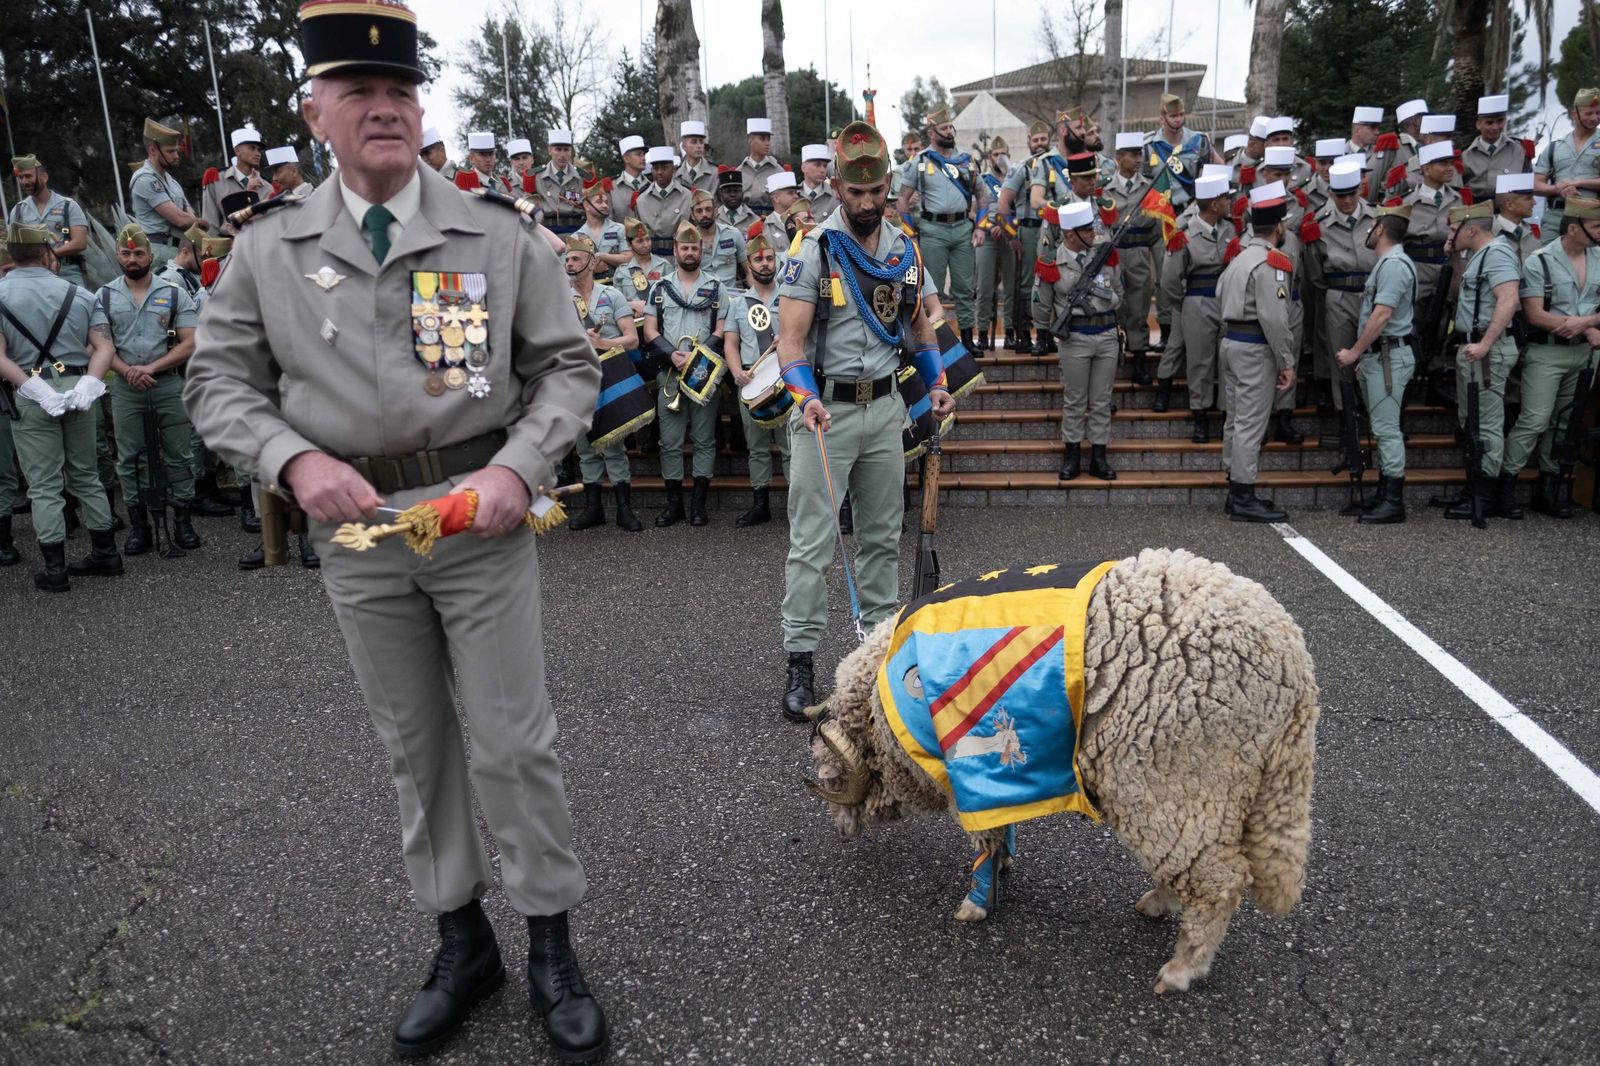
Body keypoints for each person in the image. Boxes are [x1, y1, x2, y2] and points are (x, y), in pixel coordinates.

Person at [181, 3, 609, 1059]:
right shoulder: (270, 247)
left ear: (420, 110)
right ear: (314, 110)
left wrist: (520, 465)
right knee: (415, 747)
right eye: (359, 93)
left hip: (480, 513)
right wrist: (294, 460)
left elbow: (567, 367)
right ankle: (462, 940)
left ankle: (550, 936)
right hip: (358, 535)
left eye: (401, 93)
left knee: (514, 742)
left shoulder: (495, 233)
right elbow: (216, 381)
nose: (384, 110)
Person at [775, 121, 953, 720]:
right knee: (814, 544)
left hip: (885, 412)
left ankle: (880, 661)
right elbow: (790, 343)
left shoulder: (906, 250)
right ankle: (801, 662)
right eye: (856, 193)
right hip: (825, 412)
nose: (868, 203)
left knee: (881, 538)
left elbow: (919, 326)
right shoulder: (814, 250)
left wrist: (937, 384)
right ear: (839, 190)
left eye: (877, 191)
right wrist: (805, 400)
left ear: (888, 187)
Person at [0, 222, 121, 589]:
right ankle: (106, 553)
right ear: (47, 252)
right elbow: (105, 348)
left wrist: (35, 389)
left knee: (43, 485)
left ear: (11, 255)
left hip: (31, 393)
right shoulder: (79, 293)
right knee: (86, 474)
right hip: (78, 388)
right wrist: (89, 384)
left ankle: (56, 570)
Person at [99, 223, 204, 552]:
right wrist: (128, 371)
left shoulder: (174, 293)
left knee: (179, 454)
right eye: (126, 253)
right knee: (130, 457)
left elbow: (190, 342)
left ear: (150, 254)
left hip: (168, 383)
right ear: (118, 255)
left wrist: (151, 367)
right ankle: (139, 524)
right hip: (127, 389)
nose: (132, 259)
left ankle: (182, 520)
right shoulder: (104, 295)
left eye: (139, 252)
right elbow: (99, 344)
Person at [1496, 198, 1600, 518]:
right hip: (1547, 352)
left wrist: (1584, 324)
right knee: (1535, 419)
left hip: (1583, 354)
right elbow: (1535, 314)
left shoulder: (1599, 257)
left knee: (1565, 421)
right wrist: (1586, 327)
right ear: (1574, 228)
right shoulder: (1539, 261)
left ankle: (1548, 487)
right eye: (1595, 226)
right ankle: (1505, 486)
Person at [1216, 181, 1299, 522]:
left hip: (1232, 341)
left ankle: (1236, 488)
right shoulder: (1271, 262)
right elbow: (1276, 319)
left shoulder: (1238, 258)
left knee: (1235, 419)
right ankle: (1243, 494)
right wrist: (1287, 361)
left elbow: (1219, 294)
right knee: (1250, 423)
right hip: (1254, 346)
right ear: (1279, 226)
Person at [639, 220, 730, 527]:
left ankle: (698, 506)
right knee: (670, 441)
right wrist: (674, 355)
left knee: (704, 439)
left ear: (701, 250)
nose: (690, 252)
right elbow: (650, 330)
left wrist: (697, 357)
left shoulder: (717, 287)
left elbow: (722, 329)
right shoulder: (659, 288)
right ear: (675, 250)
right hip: (670, 372)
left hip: (703, 372)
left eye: (695, 248)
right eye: (684, 247)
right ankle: (674, 504)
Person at [1335, 203, 1419, 524]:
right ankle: (1384, 494)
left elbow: (1381, 315)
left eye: (1372, 225)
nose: (1369, 230)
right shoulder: (1388, 264)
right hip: (1380, 356)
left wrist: (1355, 352)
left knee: (1387, 431)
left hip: (1388, 357)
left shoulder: (1394, 264)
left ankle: (1393, 502)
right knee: (1383, 428)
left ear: (1381, 228)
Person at [1439, 201, 1522, 520]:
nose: (1450, 233)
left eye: (1454, 228)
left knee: (1485, 425)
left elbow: (1508, 299)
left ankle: (1484, 495)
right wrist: (1454, 257)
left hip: (1488, 351)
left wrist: (1486, 344)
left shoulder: (1498, 253)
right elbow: (1463, 292)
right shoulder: (1478, 256)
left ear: (1471, 228)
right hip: (1474, 349)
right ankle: (1473, 487)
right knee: (1471, 420)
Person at [1034, 201, 1121, 481]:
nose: (1094, 234)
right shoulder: (1050, 261)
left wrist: (1108, 297)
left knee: (1101, 399)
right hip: (1075, 338)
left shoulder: (1105, 256)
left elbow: (1120, 291)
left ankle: (1098, 455)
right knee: (1074, 400)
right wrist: (1043, 333)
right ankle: (1072, 454)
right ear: (1072, 235)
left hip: (1106, 335)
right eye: (1088, 230)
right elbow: (1040, 303)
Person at [564, 234, 645, 533]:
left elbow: (632, 338)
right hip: (576, 377)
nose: (570, 263)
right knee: (585, 446)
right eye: (568, 259)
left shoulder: (612, 296)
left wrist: (603, 341)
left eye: (575, 258)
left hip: (609, 375)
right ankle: (593, 508)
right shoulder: (560, 298)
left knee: (613, 443)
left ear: (591, 262)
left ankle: (625, 510)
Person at [1156, 173, 1236, 440]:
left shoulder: (1230, 229)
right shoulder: (1184, 233)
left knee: (1228, 361)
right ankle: (1199, 417)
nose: (1229, 202)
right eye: (1226, 198)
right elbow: (1169, 281)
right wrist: (1186, 303)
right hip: (1197, 300)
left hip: (1226, 301)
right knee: (1199, 362)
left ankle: (1227, 416)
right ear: (1214, 204)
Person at [899, 108, 980, 352]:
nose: (949, 131)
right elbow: (903, 199)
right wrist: (910, 232)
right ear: (931, 133)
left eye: (950, 127)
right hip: (932, 230)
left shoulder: (966, 160)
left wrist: (982, 227)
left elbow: (983, 196)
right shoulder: (921, 161)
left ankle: (968, 340)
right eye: (944, 128)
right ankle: (934, 342)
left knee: (965, 288)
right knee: (930, 289)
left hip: (963, 228)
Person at [724, 233, 790, 526]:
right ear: (748, 264)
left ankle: (796, 506)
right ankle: (760, 504)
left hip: (785, 376)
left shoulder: (789, 297)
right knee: (757, 446)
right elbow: (730, 343)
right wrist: (736, 371)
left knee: (791, 446)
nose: (765, 264)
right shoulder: (739, 303)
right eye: (758, 259)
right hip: (750, 379)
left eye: (769, 258)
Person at [1302, 159, 1377, 417]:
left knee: (1374, 355)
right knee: (1341, 358)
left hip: (1373, 293)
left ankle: (1374, 411)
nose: (1346, 201)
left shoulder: (1378, 217)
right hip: (1338, 293)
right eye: (1340, 195)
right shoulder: (1318, 223)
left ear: (1360, 190)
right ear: (1330, 193)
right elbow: (1314, 270)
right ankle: (1345, 415)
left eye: (1351, 194)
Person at [1106, 132, 1159, 382]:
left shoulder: (1149, 187)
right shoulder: (1105, 189)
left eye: (1140, 154)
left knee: (1139, 306)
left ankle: (1139, 360)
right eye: (1133, 155)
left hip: (1139, 251)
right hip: (1113, 253)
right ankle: (1113, 358)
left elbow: (1158, 227)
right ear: (1119, 158)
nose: (1139, 159)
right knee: (1114, 304)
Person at [998, 120, 1051, 352]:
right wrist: (1012, 237)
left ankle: (1046, 334)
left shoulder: (1054, 165)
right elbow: (1002, 204)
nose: (1040, 144)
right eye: (1035, 140)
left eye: (1043, 139)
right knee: (1029, 285)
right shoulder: (1021, 168)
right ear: (1028, 142)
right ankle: (1026, 334)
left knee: (1052, 283)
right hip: (1028, 231)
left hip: (1053, 230)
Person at [130, 118, 210, 266]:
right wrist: (203, 223)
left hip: (179, 250)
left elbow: (189, 215)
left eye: (176, 151)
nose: (176, 156)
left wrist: (192, 221)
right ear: (153, 150)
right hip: (159, 253)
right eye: (170, 151)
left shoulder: (171, 181)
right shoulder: (144, 179)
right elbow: (181, 220)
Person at [1532, 87, 1600, 245]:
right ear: (1574, 114)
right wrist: (1558, 189)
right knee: (1549, 262)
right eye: (1588, 113)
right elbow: (1535, 185)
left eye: (1598, 113)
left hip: (1593, 216)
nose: (1595, 118)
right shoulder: (1555, 146)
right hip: (1557, 216)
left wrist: (1577, 183)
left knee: (1592, 265)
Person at [8, 155, 90, 286]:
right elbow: (14, 247)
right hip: (32, 277)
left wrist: (49, 255)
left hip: (67, 273)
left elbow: (80, 242)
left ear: (44, 177)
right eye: (20, 177)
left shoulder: (68, 205)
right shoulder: (18, 211)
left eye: (28, 176)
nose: (24, 181)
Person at [1145, 94, 1222, 211]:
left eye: (1181, 115)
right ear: (1162, 119)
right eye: (1173, 116)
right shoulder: (1149, 146)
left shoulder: (1199, 141)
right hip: (1159, 213)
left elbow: (1220, 168)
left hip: (1191, 210)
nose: (1178, 119)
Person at [1462, 94, 1531, 205]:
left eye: (1500, 121)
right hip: (1477, 214)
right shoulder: (1465, 155)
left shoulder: (1520, 150)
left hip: (1510, 214)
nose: (1495, 127)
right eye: (1489, 122)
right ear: (1478, 124)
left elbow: (1528, 186)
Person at [202, 127, 270, 231]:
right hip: (228, 244)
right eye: (252, 148)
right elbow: (210, 223)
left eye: (259, 150)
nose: (257, 153)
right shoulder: (216, 181)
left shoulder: (267, 187)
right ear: (237, 151)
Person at [636, 146, 692, 257]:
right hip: (651, 256)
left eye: (664, 168)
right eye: (656, 168)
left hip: (681, 256)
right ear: (651, 170)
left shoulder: (687, 196)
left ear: (673, 169)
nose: (660, 172)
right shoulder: (642, 200)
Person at [575, 178, 630, 282]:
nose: (605, 205)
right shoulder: (577, 236)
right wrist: (592, 269)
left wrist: (603, 256)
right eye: (599, 202)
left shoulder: (619, 229)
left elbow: (629, 258)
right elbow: (572, 268)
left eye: (606, 202)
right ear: (586, 206)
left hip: (618, 285)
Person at [689, 188, 745, 287]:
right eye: (699, 211)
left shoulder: (733, 234)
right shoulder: (688, 240)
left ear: (715, 211)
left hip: (730, 295)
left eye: (708, 209)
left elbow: (749, 271)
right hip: (700, 295)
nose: (704, 214)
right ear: (693, 215)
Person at [533, 129, 584, 235]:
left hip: (576, 230)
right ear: (550, 150)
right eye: (558, 149)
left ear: (571, 151)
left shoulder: (581, 177)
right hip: (548, 232)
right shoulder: (537, 176)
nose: (562, 154)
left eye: (566, 150)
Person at [738, 119, 784, 214]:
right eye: (762, 139)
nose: (767, 143)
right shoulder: (739, 171)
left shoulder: (778, 171)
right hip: (744, 221)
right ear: (750, 140)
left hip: (770, 221)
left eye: (768, 139)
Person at [610, 134, 649, 221]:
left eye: (644, 154)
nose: (643, 158)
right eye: (638, 154)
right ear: (626, 159)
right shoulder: (611, 188)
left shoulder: (651, 186)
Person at [799, 144, 839, 221]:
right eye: (817, 165)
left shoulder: (836, 196)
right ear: (803, 167)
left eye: (825, 166)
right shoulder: (794, 196)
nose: (822, 170)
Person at [678, 120, 717, 194]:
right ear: (684, 146)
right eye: (694, 142)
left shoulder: (715, 173)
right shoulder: (676, 176)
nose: (699, 146)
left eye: (701, 142)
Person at [716, 164, 758, 231]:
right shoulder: (713, 219)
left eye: (736, 191)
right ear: (721, 194)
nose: (733, 195)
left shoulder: (754, 219)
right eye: (728, 191)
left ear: (743, 192)